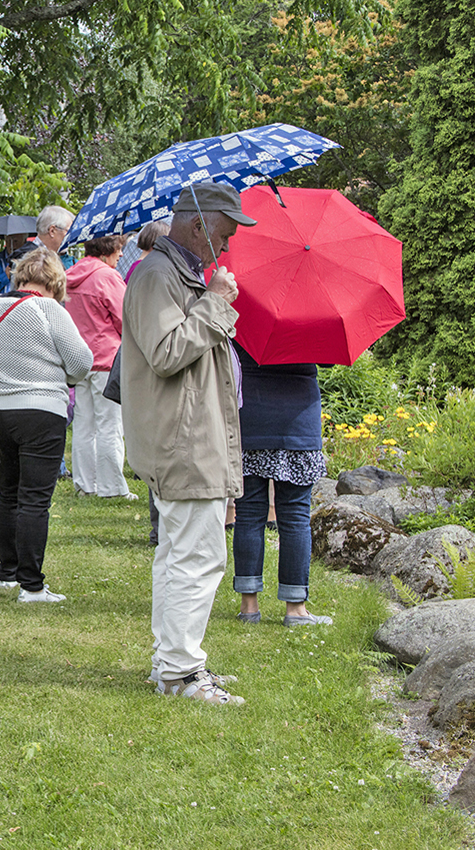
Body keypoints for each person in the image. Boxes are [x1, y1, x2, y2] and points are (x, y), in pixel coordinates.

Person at [120, 179, 255, 706]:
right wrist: (216, 304)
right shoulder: (158, 275)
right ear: (198, 225)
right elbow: (168, 351)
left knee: (182, 553)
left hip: (185, 435)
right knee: (196, 556)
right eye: (223, 234)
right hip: (181, 440)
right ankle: (180, 671)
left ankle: (174, 662)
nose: (226, 247)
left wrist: (211, 298)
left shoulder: (180, 275)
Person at [0, 248, 93, 601]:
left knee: (8, 492)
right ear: (55, 283)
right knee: (34, 500)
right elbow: (82, 361)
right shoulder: (49, 309)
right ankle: (31, 584)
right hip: (39, 409)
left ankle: (7, 572)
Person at [232, 348, 333, 626]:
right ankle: (295, 608)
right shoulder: (312, 307)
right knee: (296, 517)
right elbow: (327, 358)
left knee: (249, 513)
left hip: (250, 416)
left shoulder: (244, 306)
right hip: (298, 422)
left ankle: (248, 606)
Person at [65, 233, 137, 500]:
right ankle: (111, 487)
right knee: (110, 425)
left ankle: (85, 483)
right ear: (108, 250)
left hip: (79, 359)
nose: (120, 256)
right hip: (106, 359)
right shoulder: (106, 277)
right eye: (119, 250)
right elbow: (126, 317)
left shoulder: (71, 275)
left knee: (84, 425)